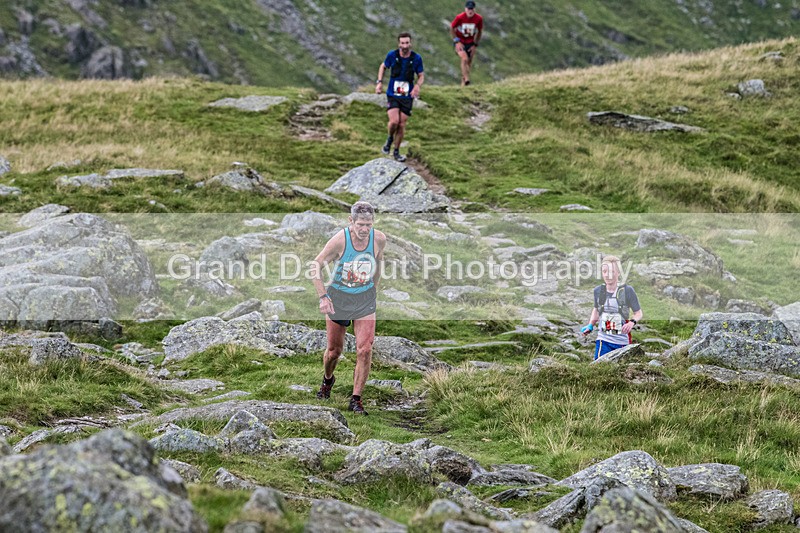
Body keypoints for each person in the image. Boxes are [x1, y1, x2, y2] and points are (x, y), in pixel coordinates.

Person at [312, 201, 386, 415]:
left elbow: (379, 262)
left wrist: (374, 287)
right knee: (334, 352)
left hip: (364, 299)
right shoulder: (340, 241)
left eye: (368, 225)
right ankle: (328, 380)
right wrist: (323, 297)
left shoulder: (379, 239)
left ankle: (356, 399)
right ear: (351, 221)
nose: (364, 229)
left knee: (365, 349)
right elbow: (316, 265)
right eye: (360, 224)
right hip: (339, 299)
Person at [581, 255, 643, 360]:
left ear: (618, 273)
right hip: (603, 340)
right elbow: (596, 309)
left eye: (611, 271)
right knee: (599, 369)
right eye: (604, 271)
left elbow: (638, 313)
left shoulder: (627, 290)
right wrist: (590, 325)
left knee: (620, 372)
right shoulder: (598, 291)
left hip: (622, 341)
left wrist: (632, 322)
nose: (607, 275)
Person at [376, 32, 425, 162]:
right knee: (394, 122)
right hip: (393, 94)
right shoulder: (392, 55)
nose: (405, 45)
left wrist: (417, 86)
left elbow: (421, 75)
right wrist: (379, 83)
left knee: (402, 125)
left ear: (410, 43)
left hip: (407, 96)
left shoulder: (416, 58)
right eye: (402, 43)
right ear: (399, 44)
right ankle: (389, 138)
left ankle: (396, 151)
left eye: (407, 43)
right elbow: (383, 66)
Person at [450, 0, 483, 87]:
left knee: (468, 63)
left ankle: (463, 84)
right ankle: (467, 79)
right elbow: (452, 28)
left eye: (471, 9)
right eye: (468, 9)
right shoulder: (460, 17)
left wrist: (475, 44)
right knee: (464, 59)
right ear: (465, 9)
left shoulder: (478, 19)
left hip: (470, 43)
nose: (470, 11)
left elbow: (479, 31)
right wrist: (456, 41)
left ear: (474, 9)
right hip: (460, 42)